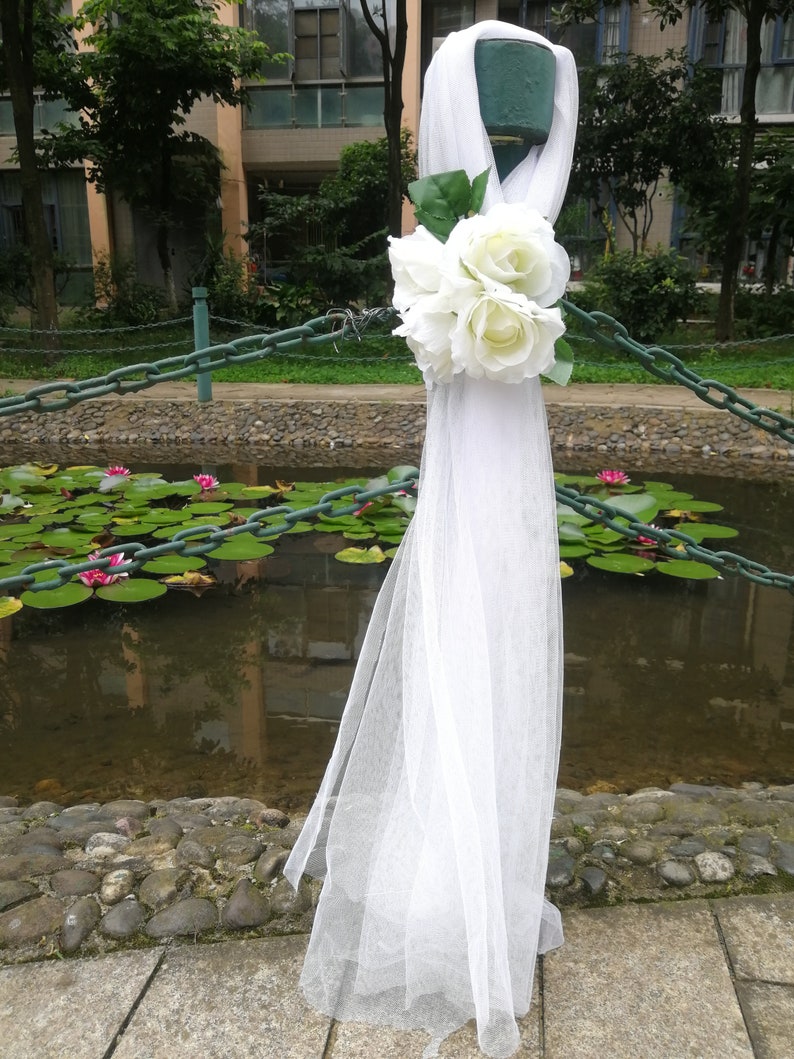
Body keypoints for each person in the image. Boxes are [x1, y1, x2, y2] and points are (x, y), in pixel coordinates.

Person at [285, 21, 578, 1058]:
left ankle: (486, 871)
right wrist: (467, 299)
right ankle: (450, 879)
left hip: (513, 467)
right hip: (476, 462)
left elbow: (523, 319)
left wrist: (504, 298)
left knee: (501, 634)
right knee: (465, 636)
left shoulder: (521, 237)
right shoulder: (440, 247)